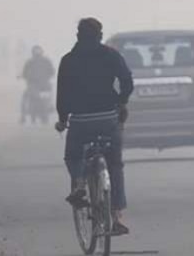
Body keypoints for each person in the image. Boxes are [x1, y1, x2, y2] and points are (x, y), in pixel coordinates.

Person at [55, 18, 134, 236]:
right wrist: (121, 101)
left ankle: (80, 184)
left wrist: (63, 119)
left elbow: (62, 95)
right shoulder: (111, 55)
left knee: (73, 156)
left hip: (80, 121)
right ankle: (117, 216)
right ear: (100, 35)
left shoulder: (68, 60)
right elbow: (127, 80)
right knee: (115, 164)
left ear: (78, 35)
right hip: (108, 118)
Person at [20, 45, 54, 123]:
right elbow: (51, 72)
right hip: (38, 85)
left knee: (25, 99)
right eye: (36, 50)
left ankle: (23, 117)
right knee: (25, 99)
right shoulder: (31, 62)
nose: (37, 52)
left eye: (38, 50)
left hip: (39, 85)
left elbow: (25, 73)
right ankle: (23, 117)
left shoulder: (32, 62)